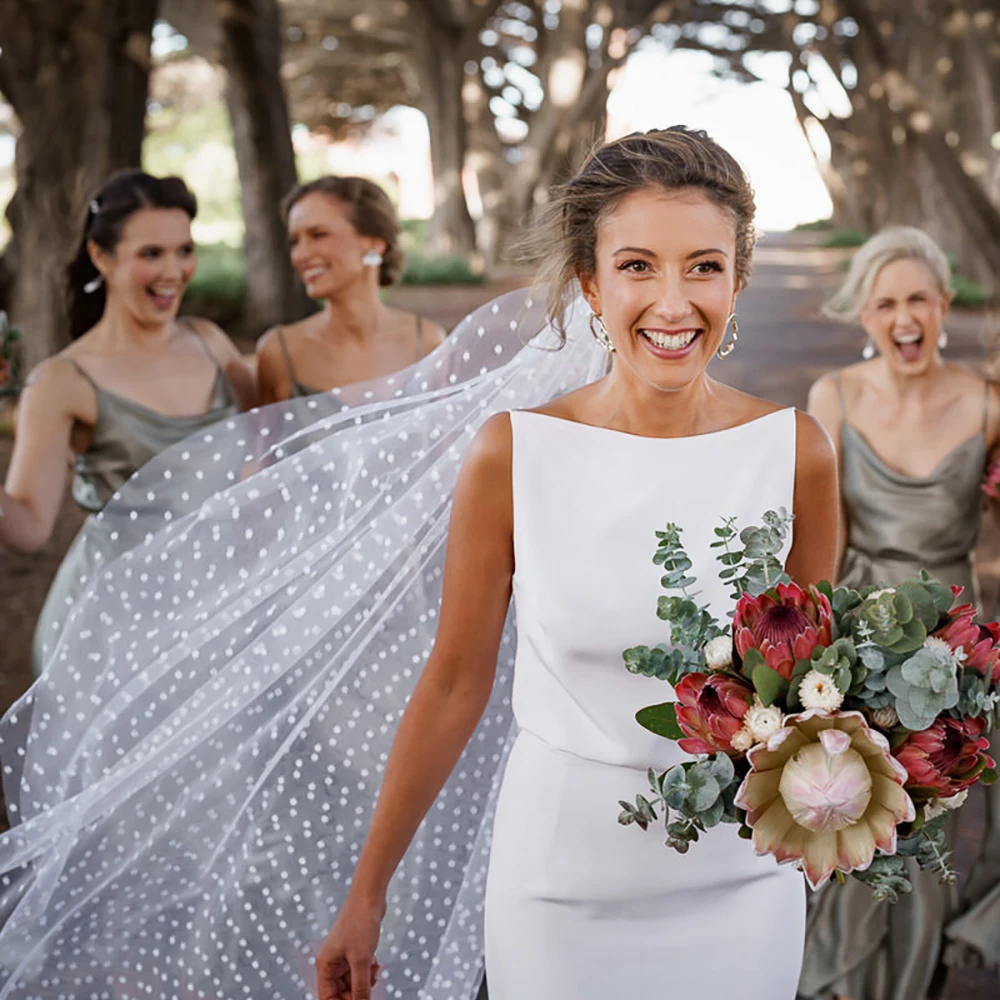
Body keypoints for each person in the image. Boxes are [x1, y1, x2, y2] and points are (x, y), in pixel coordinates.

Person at [315, 127, 839, 1000]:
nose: (673, 304)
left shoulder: (797, 452)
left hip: (744, 876)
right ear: (590, 283)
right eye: (638, 266)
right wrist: (366, 895)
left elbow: (819, 686)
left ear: (738, 280)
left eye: (703, 267)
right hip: (560, 882)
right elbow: (452, 684)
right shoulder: (515, 454)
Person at [798, 225, 1000, 1000]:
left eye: (920, 297)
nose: (904, 316)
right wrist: (812, 672)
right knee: (850, 832)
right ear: (865, 316)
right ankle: (835, 986)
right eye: (886, 302)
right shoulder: (834, 398)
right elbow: (820, 551)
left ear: (945, 305)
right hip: (856, 652)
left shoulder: (986, 405)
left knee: (926, 846)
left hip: (955, 656)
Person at [0, 169, 255, 680]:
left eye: (184, 250)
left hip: (224, 611)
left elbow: (274, 449)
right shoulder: (63, 381)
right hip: (116, 635)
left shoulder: (211, 342)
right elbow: (27, 527)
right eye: (151, 254)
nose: (174, 270)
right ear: (101, 257)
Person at [256, 176, 446, 402]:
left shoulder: (428, 342)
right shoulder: (279, 353)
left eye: (318, 235)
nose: (300, 255)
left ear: (375, 242)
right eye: (294, 242)